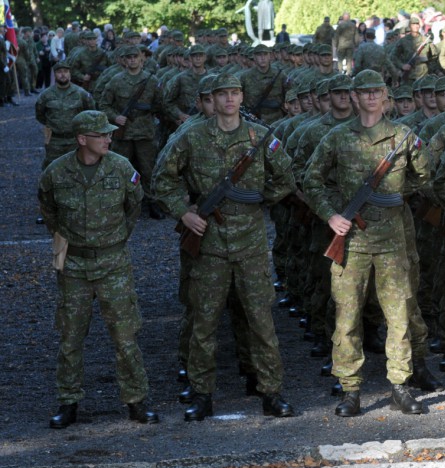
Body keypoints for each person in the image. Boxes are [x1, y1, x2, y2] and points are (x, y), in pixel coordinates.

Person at [153, 74, 297, 421]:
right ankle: (202, 394)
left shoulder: (260, 136)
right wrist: (184, 213)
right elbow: (161, 179)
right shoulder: (192, 136)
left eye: (235, 93)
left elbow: (286, 178)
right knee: (204, 322)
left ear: (242, 97)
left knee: (261, 321)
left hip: (250, 243)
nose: (229, 99)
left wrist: (259, 200)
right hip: (210, 242)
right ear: (212, 100)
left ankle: (271, 392)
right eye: (222, 94)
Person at [303, 70, 431, 417]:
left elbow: (423, 176)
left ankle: (400, 385)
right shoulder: (337, 137)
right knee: (347, 316)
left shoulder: (403, 137)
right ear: (355, 97)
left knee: (399, 314)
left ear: (386, 96)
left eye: (377, 91)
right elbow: (311, 179)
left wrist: (396, 197)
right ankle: (350, 389)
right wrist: (331, 215)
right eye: (364, 92)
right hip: (352, 240)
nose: (371, 97)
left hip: (392, 240)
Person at [38, 110, 159, 429]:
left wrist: (114, 239)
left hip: (113, 262)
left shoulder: (122, 168)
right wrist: (67, 247)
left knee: (125, 336)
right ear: (82, 139)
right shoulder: (56, 172)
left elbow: (133, 206)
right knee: (70, 336)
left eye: (109, 133)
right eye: (101, 134)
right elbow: (49, 212)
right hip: (73, 264)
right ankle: (68, 401)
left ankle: (136, 400)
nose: (108, 138)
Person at [98, 45, 164, 219]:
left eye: (135, 57)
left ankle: (152, 202)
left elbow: (159, 104)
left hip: (145, 132)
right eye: (129, 57)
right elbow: (104, 104)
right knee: (120, 169)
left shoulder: (151, 80)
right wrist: (116, 117)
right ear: (124, 60)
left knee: (148, 169)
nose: (132, 60)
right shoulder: (116, 81)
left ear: (141, 58)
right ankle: (120, 203)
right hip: (124, 133)